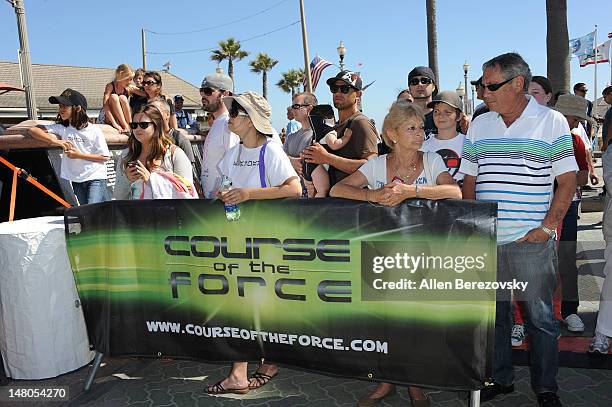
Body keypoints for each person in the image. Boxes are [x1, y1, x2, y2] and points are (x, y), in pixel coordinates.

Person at [461, 52, 577, 407]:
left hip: (531, 240)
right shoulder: (480, 123)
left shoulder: (552, 120)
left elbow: (568, 181)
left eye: (490, 85)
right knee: (494, 318)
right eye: (480, 85)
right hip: (489, 239)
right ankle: (502, 379)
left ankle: (546, 388)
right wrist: (474, 222)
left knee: (540, 319)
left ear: (518, 84)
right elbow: (469, 178)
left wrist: (547, 228)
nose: (483, 92)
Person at [330, 101, 460, 407]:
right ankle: (387, 381)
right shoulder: (377, 165)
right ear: (392, 133)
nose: (419, 134)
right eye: (411, 128)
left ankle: (414, 384)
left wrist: (410, 191)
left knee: (416, 324)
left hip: (426, 257)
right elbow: (338, 190)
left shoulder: (431, 161)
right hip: (384, 258)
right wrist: (372, 194)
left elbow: (454, 192)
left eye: (420, 128)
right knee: (386, 323)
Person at [205, 91, 301, 395]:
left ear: (249, 119)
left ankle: (252, 368)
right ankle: (245, 370)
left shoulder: (271, 150)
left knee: (259, 305)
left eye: (235, 113)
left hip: (269, 240)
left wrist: (249, 195)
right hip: (238, 238)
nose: (229, 117)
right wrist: (229, 196)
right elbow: (229, 189)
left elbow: (294, 189)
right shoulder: (232, 155)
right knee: (244, 305)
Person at [552, 94, 593, 333]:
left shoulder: (575, 141)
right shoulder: (538, 138)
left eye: (577, 120)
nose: (576, 124)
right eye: (573, 118)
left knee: (566, 260)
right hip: (539, 207)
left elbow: (583, 178)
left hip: (567, 208)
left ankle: (569, 311)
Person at [29, 89, 110, 205]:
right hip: (76, 179)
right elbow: (33, 130)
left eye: (64, 106)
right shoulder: (62, 128)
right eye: (60, 106)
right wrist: (56, 141)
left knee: (92, 209)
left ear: (77, 108)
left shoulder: (94, 130)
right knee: (85, 211)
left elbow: (104, 157)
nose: (60, 110)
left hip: (95, 177)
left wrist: (78, 155)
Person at [303, 71, 379, 190]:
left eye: (344, 89)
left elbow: (373, 167)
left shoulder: (360, 123)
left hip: (353, 203)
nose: (338, 93)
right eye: (334, 88)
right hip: (332, 200)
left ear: (358, 94)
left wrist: (327, 158)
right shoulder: (333, 126)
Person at [112, 104, 194, 200]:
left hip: (166, 213)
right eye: (134, 125)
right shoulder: (126, 155)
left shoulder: (174, 154)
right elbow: (118, 197)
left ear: (156, 126)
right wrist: (127, 179)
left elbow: (188, 192)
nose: (138, 129)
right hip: (136, 213)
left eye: (143, 125)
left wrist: (151, 180)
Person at [199, 70, 240, 198]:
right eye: (201, 91)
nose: (203, 96)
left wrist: (225, 191)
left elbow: (235, 163)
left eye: (208, 91)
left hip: (223, 203)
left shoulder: (229, 123)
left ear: (225, 94)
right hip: (211, 201)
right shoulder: (218, 122)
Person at [283, 92, 330, 197]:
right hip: (292, 197)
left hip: (312, 200)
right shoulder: (290, 137)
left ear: (309, 108)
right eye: (292, 106)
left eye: (296, 106)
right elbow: (280, 159)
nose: (292, 110)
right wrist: (291, 161)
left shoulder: (321, 137)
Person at [421, 90, 466, 184]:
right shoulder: (422, 147)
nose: (441, 116)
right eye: (436, 112)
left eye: (447, 112)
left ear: (459, 116)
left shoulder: (468, 143)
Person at [100, 64, 146, 133]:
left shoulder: (129, 87)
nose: (130, 82)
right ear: (121, 76)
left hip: (122, 119)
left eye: (131, 80)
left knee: (123, 98)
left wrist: (162, 95)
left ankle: (130, 125)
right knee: (114, 97)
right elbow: (105, 106)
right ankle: (125, 125)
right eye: (128, 79)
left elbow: (146, 93)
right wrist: (114, 124)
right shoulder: (110, 86)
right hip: (109, 117)